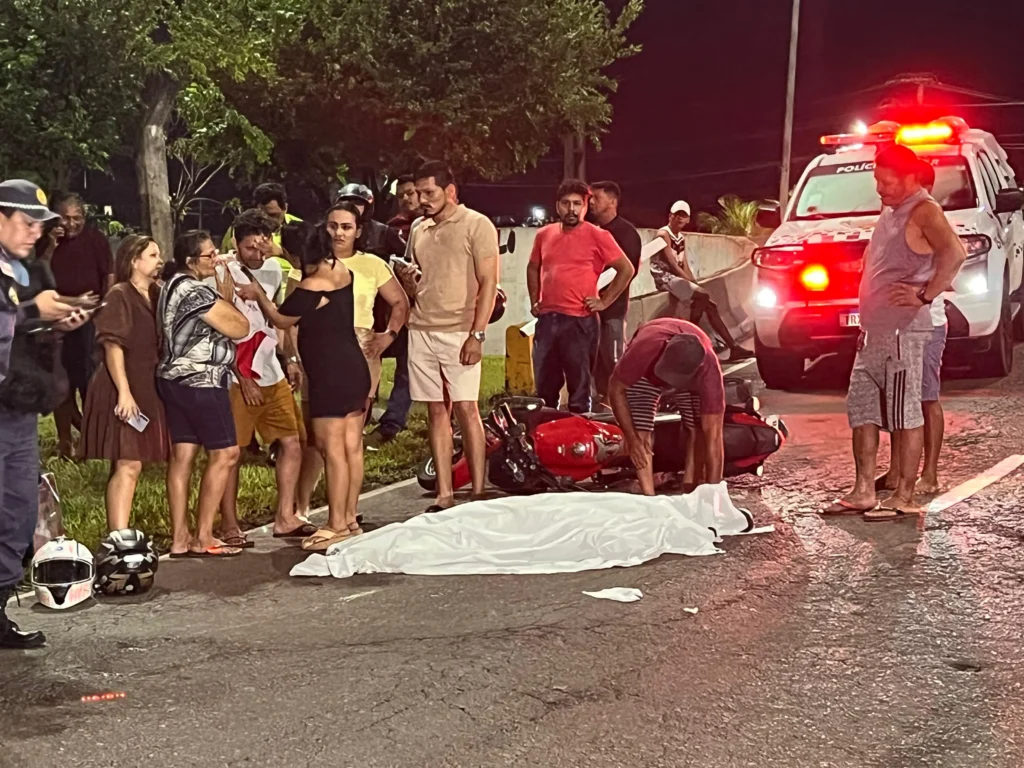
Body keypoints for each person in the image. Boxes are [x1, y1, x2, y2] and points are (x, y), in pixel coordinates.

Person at [825, 145, 966, 521]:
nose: (880, 189)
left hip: (906, 333)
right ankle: (864, 490)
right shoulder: (891, 211)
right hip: (875, 331)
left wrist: (924, 294)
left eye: (886, 181)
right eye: (877, 180)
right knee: (862, 408)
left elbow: (955, 253)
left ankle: (904, 495)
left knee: (906, 413)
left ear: (909, 178)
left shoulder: (924, 210)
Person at [237, 201, 371, 551]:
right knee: (348, 446)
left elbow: (282, 319)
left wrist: (258, 295)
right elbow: (300, 247)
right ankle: (349, 519)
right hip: (353, 368)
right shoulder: (338, 268)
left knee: (331, 449)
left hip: (331, 374)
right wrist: (280, 248)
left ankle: (337, 524)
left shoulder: (313, 285)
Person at [0, 179, 81, 650]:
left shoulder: (25, 271)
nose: (36, 232)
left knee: (16, 514)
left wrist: (55, 324)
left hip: (20, 409)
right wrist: (34, 310)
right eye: (27, 222)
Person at [290, 202, 408, 519]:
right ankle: (301, 508)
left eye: (346, 227)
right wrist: (292, 358)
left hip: (358, 354)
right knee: (317, 439)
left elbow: (400, 302)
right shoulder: (310, 265)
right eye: (333, 225)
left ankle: (347, 514)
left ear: (358, 231)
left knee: (350, 441)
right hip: (316, 355)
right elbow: (289, 318)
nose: (339, 232)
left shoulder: (372, 265)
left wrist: (389, 335)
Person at [401, 161, 499, 513]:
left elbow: (489, 282)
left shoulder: (477, 224)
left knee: (466, 408)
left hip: (460, 330)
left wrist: (478, 334)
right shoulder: (418, 228)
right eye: (418, 194)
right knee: (435, 410)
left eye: (429, 193)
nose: (422, 200)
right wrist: (409, 280)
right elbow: (418, 276)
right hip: (421, 328)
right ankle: (444, 493)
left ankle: (477, 490)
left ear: (450, 191)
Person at [213, 210, 309, 544]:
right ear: (236, 244)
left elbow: (278, 318)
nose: (257, 254)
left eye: (262, 246)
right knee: (233, 452)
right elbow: (221, 330)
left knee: (292, 441)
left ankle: (285, 516)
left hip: (271, 368)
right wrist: (243, 375)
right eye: (250, 248)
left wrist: (291, 358)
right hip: (237, 376)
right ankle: (229, 523)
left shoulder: (271, 269)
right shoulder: (221, 272)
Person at [157, 230, 250, 557]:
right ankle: (204, 535)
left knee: (183, 456)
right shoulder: (195, 291)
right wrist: (225, 295)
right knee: (226, 454)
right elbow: (240, 327)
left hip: (174, 381)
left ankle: (181, 538)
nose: (216, 259)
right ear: (190, 261)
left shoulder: (171, 286)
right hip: (201, 380)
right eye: (209, 256)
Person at [80, 235, 171, 533]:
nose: (159, 260)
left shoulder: (157, 294)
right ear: (134, 260)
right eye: (153, 255)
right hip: (122, 386)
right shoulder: (119, 295)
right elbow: (112, 346)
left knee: (133, 462)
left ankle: (120, 531)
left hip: (146, 386)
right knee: (128, 463)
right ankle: (117, 535)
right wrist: (124, 394)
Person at [527, 179, 634, 413]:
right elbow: (533, 266)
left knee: (579, 388)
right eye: (566, 203)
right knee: (544, 388)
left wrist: (604, 301)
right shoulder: (544, 234)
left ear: (586, 206)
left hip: (580, 321)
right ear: (557, 206)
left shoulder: (598, 235)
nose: (571, 209)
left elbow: (626, 269)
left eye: (577, 203)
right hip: (547, 320)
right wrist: (534, 299)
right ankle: (546, 437)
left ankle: (578, 442)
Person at [877, 162, 946, 495]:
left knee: (925, 398)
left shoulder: (931, 216)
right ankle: (895, 471)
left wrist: (923, 296)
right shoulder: (896, 217)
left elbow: (953, 260)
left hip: (928, 325)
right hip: (895, 325)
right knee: (899, 399)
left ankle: (929, 474)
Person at [607, 319, 726, 496]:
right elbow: (616, 389)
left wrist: (715, 497)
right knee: (641, 436)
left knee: (697, 431)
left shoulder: (709, 373)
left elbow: (714, 438)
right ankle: (650, 499)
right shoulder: (643, 350)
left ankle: (690, 492)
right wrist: (631, 439)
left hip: (691, 376)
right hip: (649, 372)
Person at [335, 182, 414, 445]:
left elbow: (407, 266)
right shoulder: (332, 236)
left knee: (404, 364)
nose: (353, 209)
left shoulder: (385, 234)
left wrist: (396, 322)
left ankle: (391, 423)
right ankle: (359, 423)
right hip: (354, 317)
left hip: (387, 312)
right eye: (348, 202)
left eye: (358, 204)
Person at [38, 193, 114, 458]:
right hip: (54, 319)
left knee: (88, 380)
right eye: (65, 218)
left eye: (76, 218)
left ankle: (90, 439)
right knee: (60, 382)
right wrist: (51, 244)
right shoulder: (44, 240)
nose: (71, 224)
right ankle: (64, 441)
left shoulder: (96, 240)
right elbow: (39, 274)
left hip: (87, 320)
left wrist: (104, 311)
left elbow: (108, 276)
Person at [651, 201, 753, 362]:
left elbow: (683, 263)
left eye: (683, 216)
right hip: (665, 277)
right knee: (703, 297)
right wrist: (691, 284)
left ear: (687, 220)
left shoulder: (681, 237)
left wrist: (693, 283)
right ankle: (690, 335)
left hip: (676, 278)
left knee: (709, 304)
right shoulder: (663, 234)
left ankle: (732, 347)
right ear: (670, 216)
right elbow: (671, 264)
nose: (679, 218)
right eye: (676, 215)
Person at [588, 180, 643, 404]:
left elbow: (628, 272)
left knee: (614, 361)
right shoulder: (591, 231)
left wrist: (605, 301)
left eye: (596, 198)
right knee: (591, 362)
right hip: (587, 310)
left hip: (612, 312)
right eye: (590, 198)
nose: (591, 202)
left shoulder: (626, 233)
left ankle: (624, 406)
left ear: (612, 201)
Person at [222, 183, 302, 303]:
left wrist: (281, 253)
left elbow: (310, 268)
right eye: (263, 214)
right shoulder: (238, 229)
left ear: (285, 208)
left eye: (273, 215)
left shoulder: (299, 230)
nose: (267, 221)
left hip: (292, 296)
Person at [387, 175, 422, 239]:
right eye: (400, 196)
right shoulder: (393, 226)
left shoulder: (434, 221)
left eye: (410, 193)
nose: (405, 198)